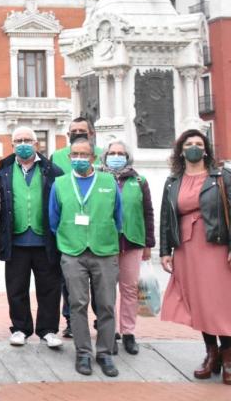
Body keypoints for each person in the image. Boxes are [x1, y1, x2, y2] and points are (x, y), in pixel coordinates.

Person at [160, 129, 231, 385]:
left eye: (198, 144)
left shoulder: (221, 177)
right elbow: (167, 219)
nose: (193, 147)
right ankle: (212, 355)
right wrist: (165, 251)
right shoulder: (173, 181)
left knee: (221, 302)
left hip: (217, 245)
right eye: (188, 144)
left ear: (206, 149)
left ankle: (229, 357)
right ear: (181, 150)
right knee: (199, 301)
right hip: (186, 249)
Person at [49, 137, 122, 377]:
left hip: (104, 250)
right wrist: (67, 240)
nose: (79, 159)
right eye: (75, 155)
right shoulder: (59, 184)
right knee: (77, 304)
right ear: (69, 158)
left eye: (84, 155)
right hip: (72, 251)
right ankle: (83, 352)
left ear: (93, 157)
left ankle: (105, 353)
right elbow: (53, 219)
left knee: (106, 304)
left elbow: (118, 216)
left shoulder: (108, 182)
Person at [0, 127, 65, 349]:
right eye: (18, 140)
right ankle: (20, 328)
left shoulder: (53, 171)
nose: (23, 144)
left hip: (45, 240)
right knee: (16, 287)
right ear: (12, 144)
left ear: (37, 144)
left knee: (49, 287)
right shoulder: (3, 172)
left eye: (27, 140)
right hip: (15, 240)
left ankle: (48, 330)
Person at [51, 117, 105, 337]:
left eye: (82, 130)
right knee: (70, 284)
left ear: (91, 134)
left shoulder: (103, 154)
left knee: (101, 286)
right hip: (70, 232)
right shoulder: (57, 156)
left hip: (97, 231)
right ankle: (71, 321)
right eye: (73, 131)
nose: (78, 134)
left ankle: (103, 322)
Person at [101, 140, 154, 355]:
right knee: (106, 290)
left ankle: (128, 332)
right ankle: (109, 331)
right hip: (105, 242)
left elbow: (147, 212)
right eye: (112, 153)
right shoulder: (98, 179)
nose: (116, 156)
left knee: (130, 289)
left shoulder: (139, 180)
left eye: (120, 153)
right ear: (105, 157)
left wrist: (149, 243)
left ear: (127, 156)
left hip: (132, 242)